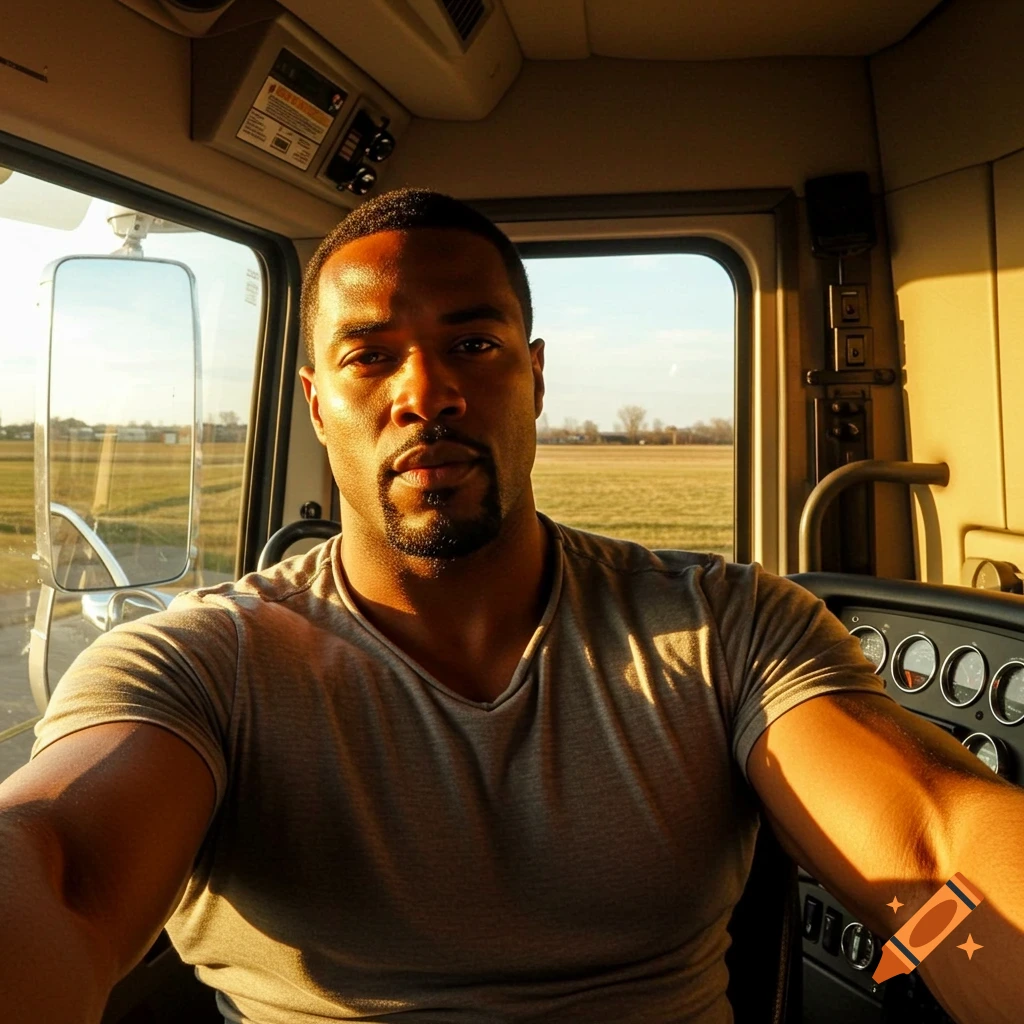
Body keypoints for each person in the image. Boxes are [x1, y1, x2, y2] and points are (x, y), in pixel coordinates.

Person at [1, 189, 1022, 1024]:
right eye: (370, 355)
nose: (427, 392)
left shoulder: (730, 626)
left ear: (534, 378)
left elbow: (934, 847)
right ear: (316, 405)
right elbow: (61, 866)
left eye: (474, 345)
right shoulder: (195, 664)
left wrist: (962, 921)